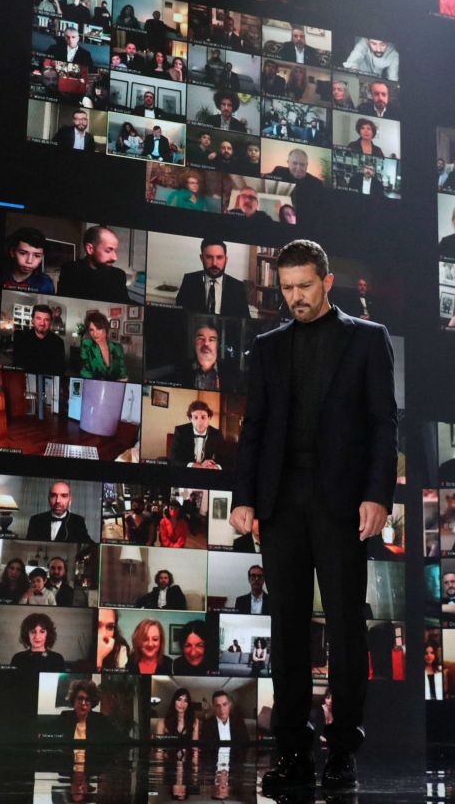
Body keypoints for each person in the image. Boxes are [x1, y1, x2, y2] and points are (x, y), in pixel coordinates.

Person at [228, 240, 395, 793]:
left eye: (304, 286)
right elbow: (255, 425)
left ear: (326, 281)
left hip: (342, 504)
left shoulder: (367, 338)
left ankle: (343, 750)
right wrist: (244, 497)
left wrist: (378, 495)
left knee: (346, 626)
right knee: (287, 629)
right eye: (286, 288)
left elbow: (383, 423)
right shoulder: (268, 346)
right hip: (281, 504)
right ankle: (293, 753)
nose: (295, 297)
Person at [56, 225, 129, 301]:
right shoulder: (70, 270)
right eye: (108, 250)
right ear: (90, 249)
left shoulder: (119, 275)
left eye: (114, 251)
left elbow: (124, 302)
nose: (115, 258)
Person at [27, 480, 95, 544]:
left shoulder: (78, 521)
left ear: (70, 499)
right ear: (48, 498)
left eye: (64, 496)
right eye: (53, 495)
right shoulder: (35, 520)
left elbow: (90, 545)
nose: (58, 501)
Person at [171, 401, 228, 468]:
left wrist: (216, 466)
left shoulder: (217, 434)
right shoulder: (180, 431)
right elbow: (174, 459)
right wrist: (194, 465)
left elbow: (224, 460)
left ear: (209, 417)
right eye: (195, 417)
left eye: (203, 417)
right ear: (190, 419)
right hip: (186, 471)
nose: (199, 422)